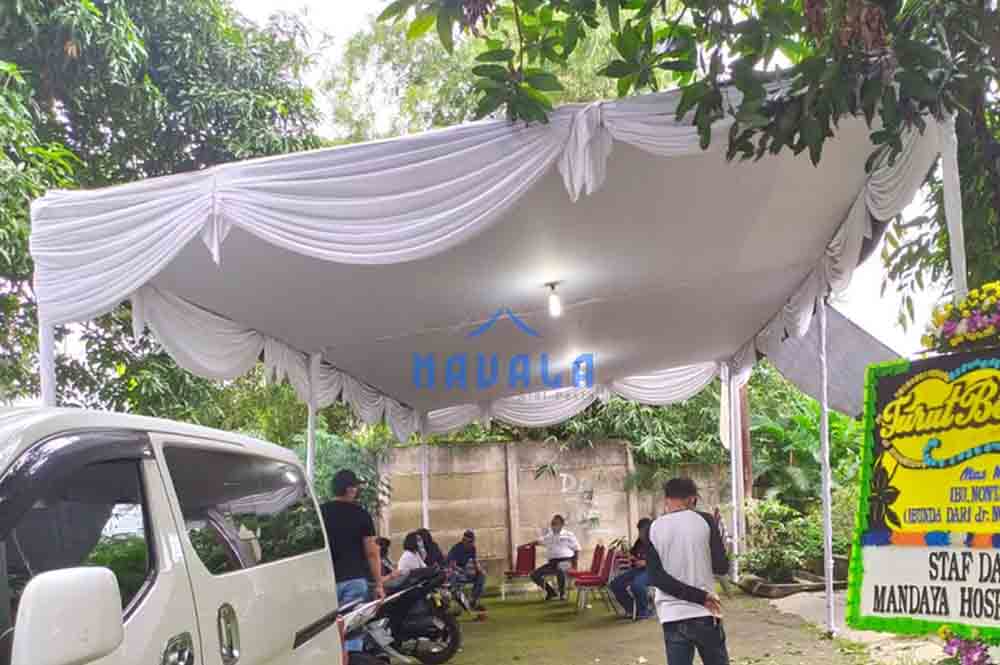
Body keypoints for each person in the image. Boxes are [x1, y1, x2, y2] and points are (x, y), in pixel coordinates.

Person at [646, 478, 730, 665]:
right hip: (706, 612)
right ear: (692, 499)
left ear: (667, 499)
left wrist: (698, 596)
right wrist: (702, 597)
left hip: (672, 615)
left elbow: (656, 578)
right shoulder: (705, 520)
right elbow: (721, 567)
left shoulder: (653, 528)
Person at [320, 469, 384, 653]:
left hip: (325, 582)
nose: (357, 490)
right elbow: (372, 553)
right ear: (349, 489)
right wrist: (379, 584)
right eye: (355, 487)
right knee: (351, 634)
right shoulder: (361, 514)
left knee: (327, 634)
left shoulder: (320, 513)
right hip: (354, 582)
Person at [529, 514, 581, 601]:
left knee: (560, 568)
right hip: (552, 563)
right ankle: (551, 592)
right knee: (534, 575)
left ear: (561, 524)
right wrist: (527, 545)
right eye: (552, 523)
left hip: (567, 562)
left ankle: (562, 594)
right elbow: (538, 542)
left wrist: (575, 565)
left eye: (555, 523)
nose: (553, 525)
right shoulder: (549, 536)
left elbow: (577, 549)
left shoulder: (569, 535)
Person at [610, 517, 653, 620]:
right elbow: (632, 554)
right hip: (637, 570)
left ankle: (644, 611)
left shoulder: (657, 541)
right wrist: (628, 556)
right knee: (616, 583)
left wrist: (646, 563)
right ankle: (632, 609)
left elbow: (663, 560)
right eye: (640, 531)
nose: (641, 534)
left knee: (637, 584)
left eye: (643, 531)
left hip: (652, 571)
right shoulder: (639, 542)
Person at [447, 530, 487, 611]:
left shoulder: (472, 548)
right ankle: (457, 603)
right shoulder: (456, 548)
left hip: (464, 572)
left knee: (481, 576)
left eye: (472, 542)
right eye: (470, 542)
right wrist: (461, 570)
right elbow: (452, 565)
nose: (471, 544)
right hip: (455, 572)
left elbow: (475, 562)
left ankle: (473, 600)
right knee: (454, 576)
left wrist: (480, 570)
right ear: (464, 540)